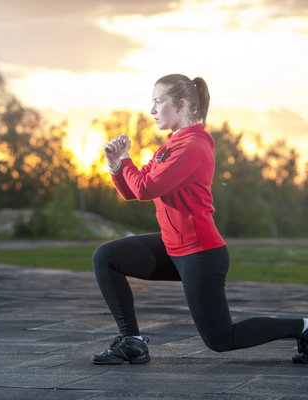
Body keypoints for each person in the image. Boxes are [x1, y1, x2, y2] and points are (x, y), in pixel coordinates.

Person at [91, 73, 308, 365]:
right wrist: (117, 165)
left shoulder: (193, 148)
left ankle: (303, 327)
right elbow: (134, 190)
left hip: (200, 253)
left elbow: (145, 189)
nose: (152, 110)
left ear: (181, 106)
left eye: (158, 102)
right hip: (172, 246)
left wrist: (127, 159)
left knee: (222, 339)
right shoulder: (169, 147)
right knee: (107, 257)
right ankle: (132, 341)